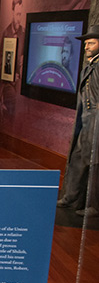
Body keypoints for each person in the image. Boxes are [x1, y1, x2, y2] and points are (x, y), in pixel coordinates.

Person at [58, 25, 99, 216]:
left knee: (95, 163)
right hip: (87, 122)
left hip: (96, 123)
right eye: (86, 43)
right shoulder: (90, 66)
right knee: (78, 159)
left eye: (91, 43)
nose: (87, 46)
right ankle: (71, 197)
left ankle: (94, 205)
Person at [0, 0, 25, 114]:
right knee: (12, 103)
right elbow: (0, 61)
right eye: (17, 14)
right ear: (12, 13)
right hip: (7, 81)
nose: (19, 18)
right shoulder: (6, 33)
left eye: (21, 14)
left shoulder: (23, 33)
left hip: (19, 81)